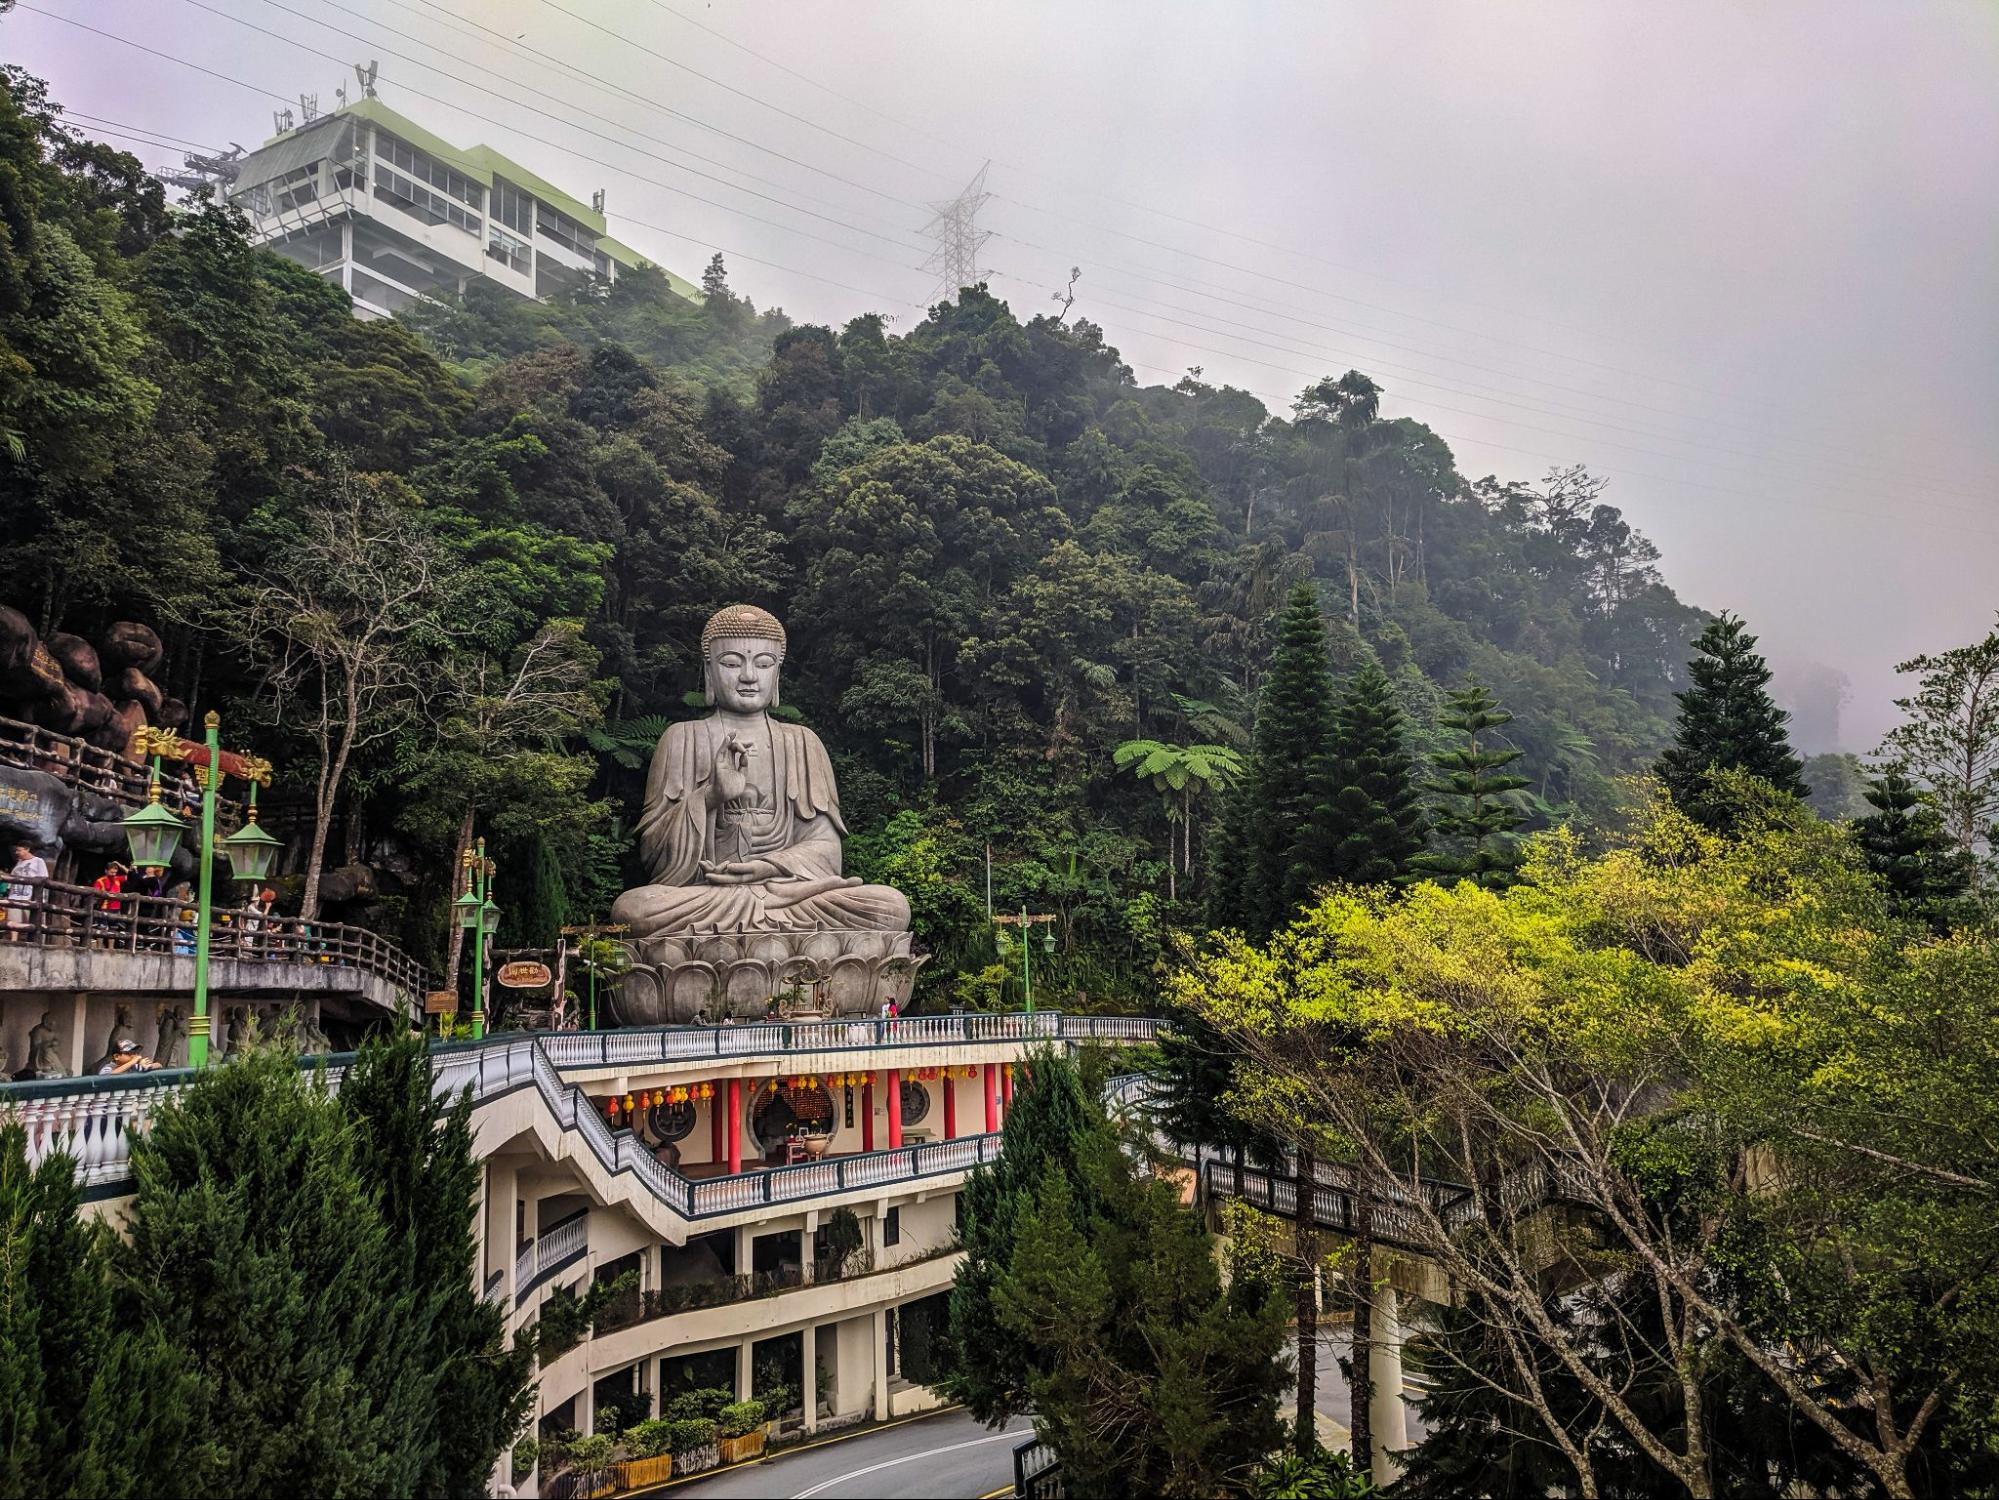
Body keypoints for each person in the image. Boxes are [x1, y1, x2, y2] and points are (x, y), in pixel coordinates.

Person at [8, 842, 49, 942]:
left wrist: (39, 897)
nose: (17, 852)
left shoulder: (38, 861)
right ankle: (14, 941)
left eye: (19, 850)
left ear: (27, 849)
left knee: (32, 921)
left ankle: (35, 942)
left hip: (30, 895)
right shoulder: (19, 862)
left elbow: (44, 878)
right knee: (13, 920)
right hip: (15, 895)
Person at [96, 1038, 161, 1076]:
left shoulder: (135, 1066)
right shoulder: (109, 1067)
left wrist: (147, 1066)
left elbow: (159, 1065)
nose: (134, 1055)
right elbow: (107, 1076)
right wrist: (132, 1062)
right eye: (129, 1053)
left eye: (135, 1053)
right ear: (116, 1056)